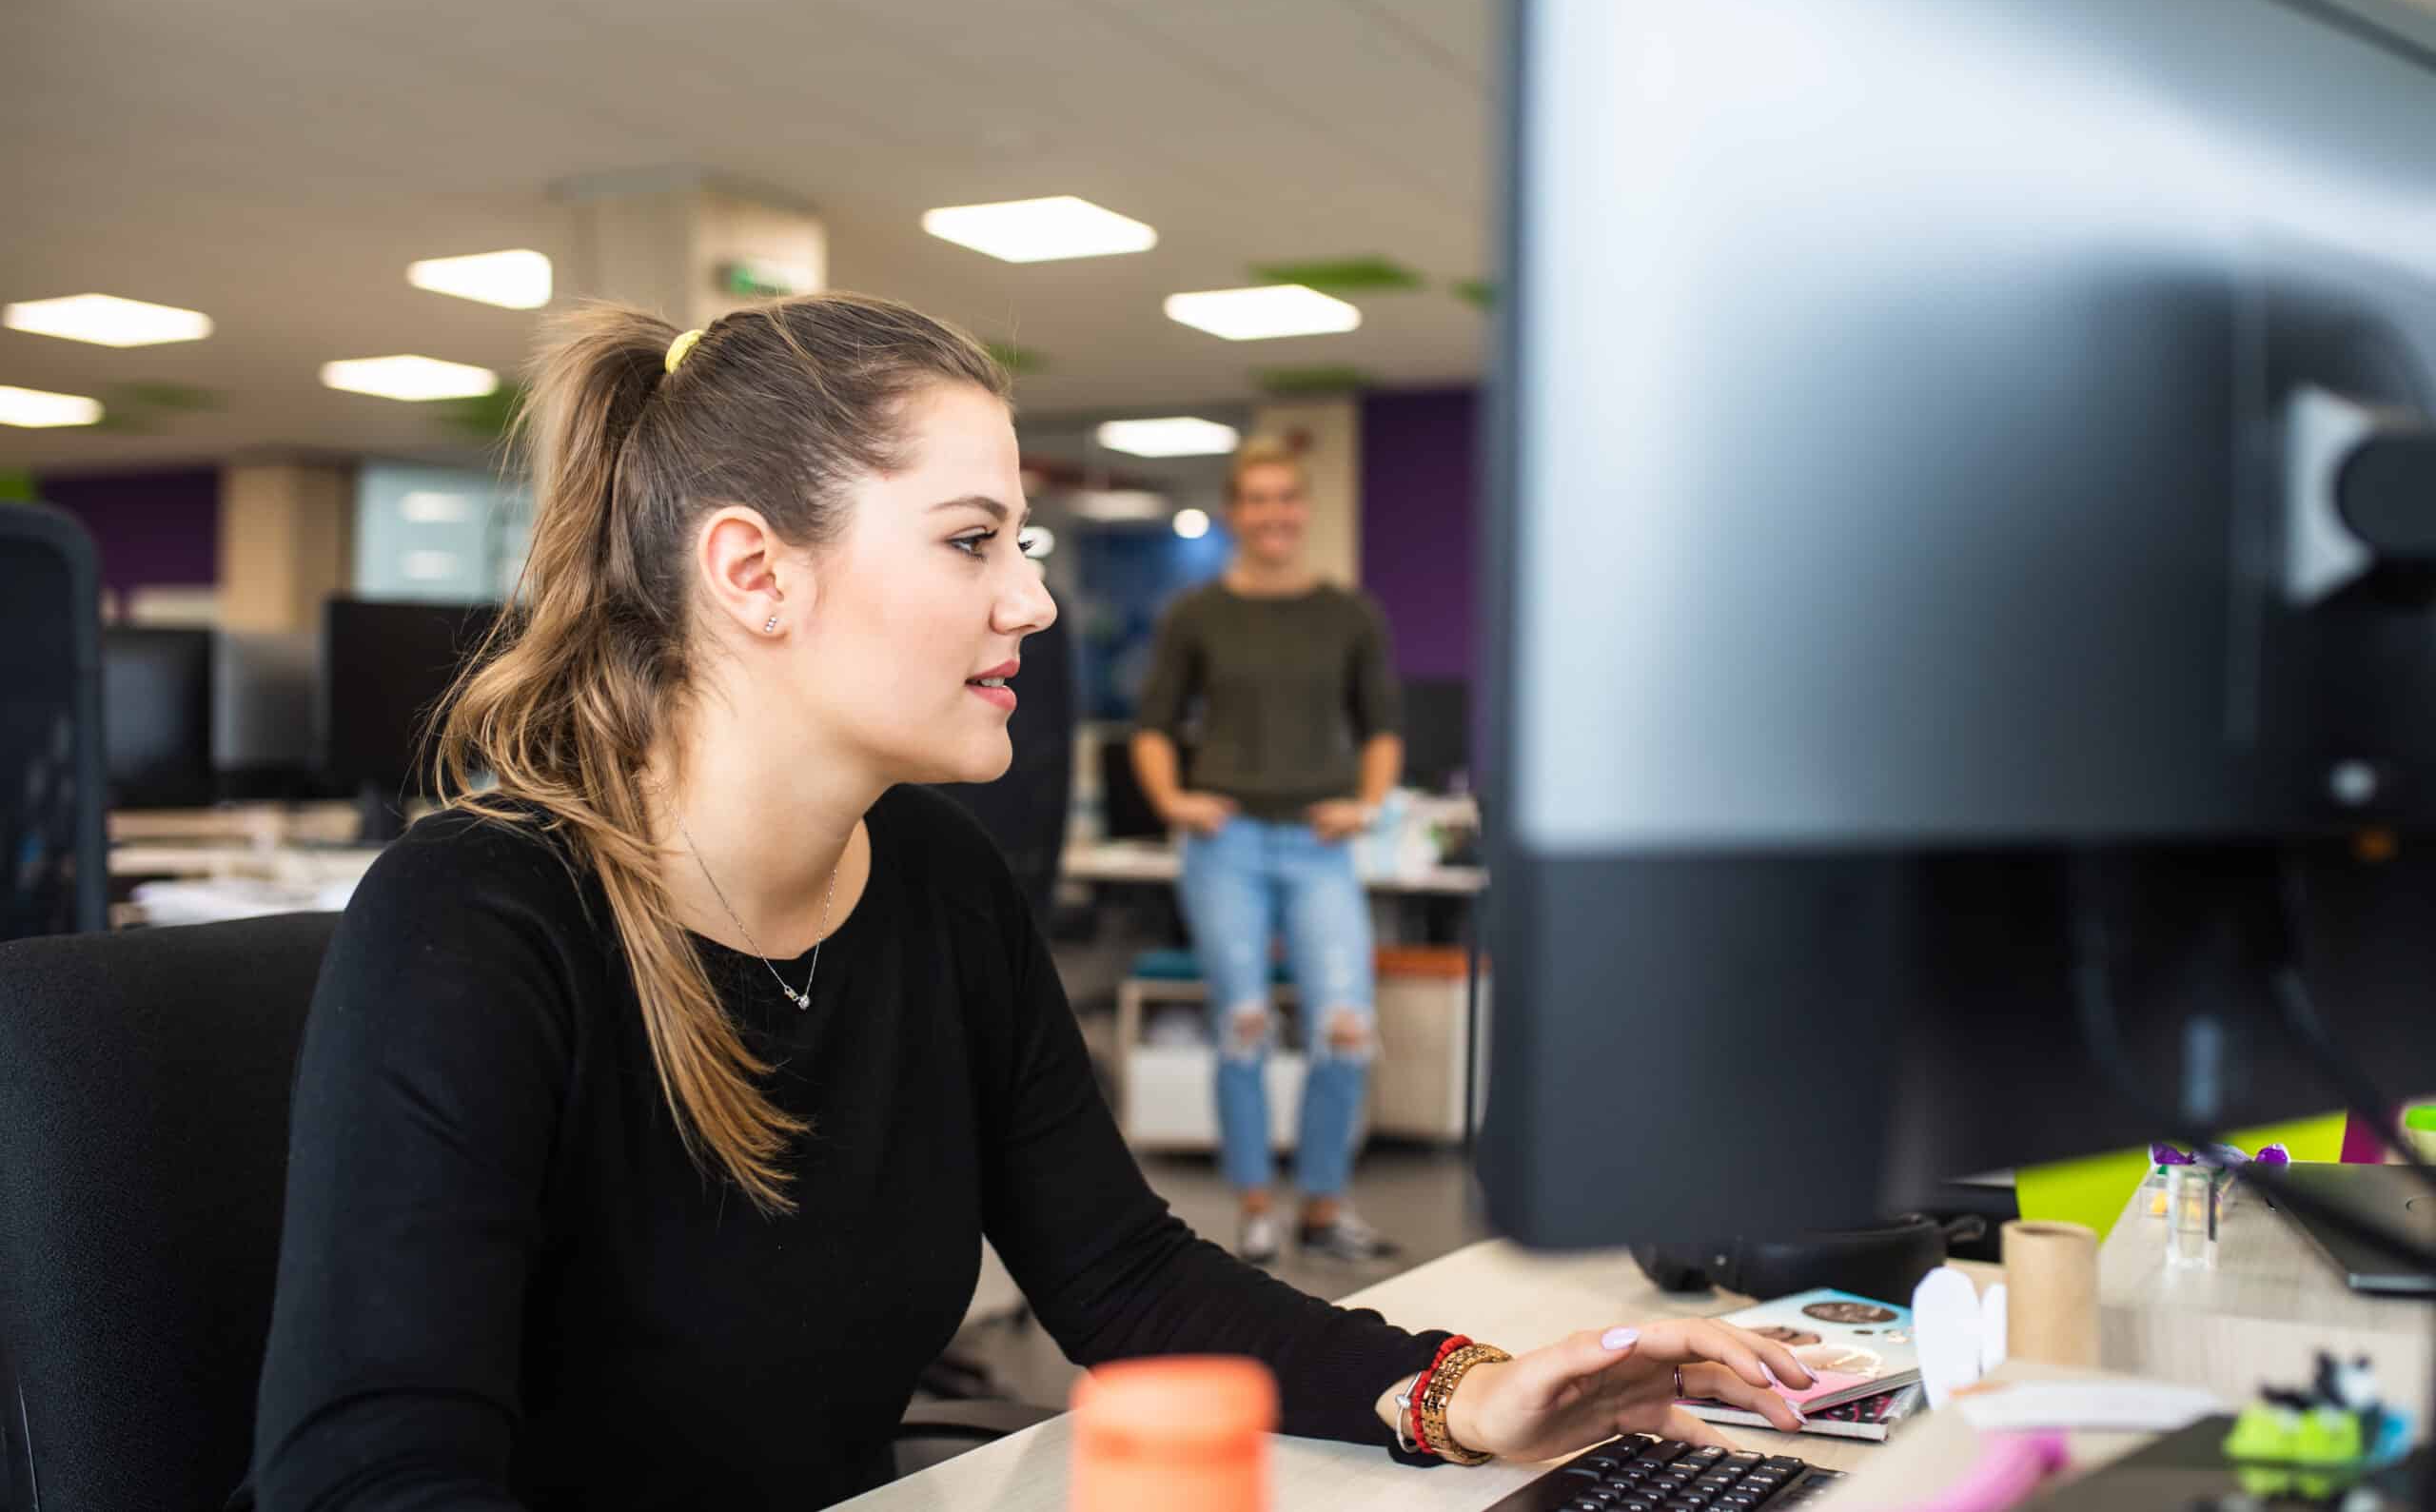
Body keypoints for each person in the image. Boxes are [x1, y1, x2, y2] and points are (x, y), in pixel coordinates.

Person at [239, 295, 1811, 1511]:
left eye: (1026, 542)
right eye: (972, 541)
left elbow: (1125, 1274)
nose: (1034, 601)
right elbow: (372, 1478)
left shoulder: (933, 882)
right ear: (753, 572)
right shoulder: (483, 920)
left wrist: (1466, 1394)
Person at [1130, 436, 1404, 1265]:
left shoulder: (1349, 612)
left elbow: (1383, 728)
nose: (1274, 513)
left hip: (1321, 845)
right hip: (1228, 845)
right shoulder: (1197, 613)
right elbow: (1151, 728)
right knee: (1242, 1022)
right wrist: (1174, 801)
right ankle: (1255, 1206)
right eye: (1257, 498)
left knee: (1345, 1024)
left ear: (1304, 509)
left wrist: (1367, 804)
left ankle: (1323, 1207)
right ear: (1235, 511)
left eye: (1288, 497)